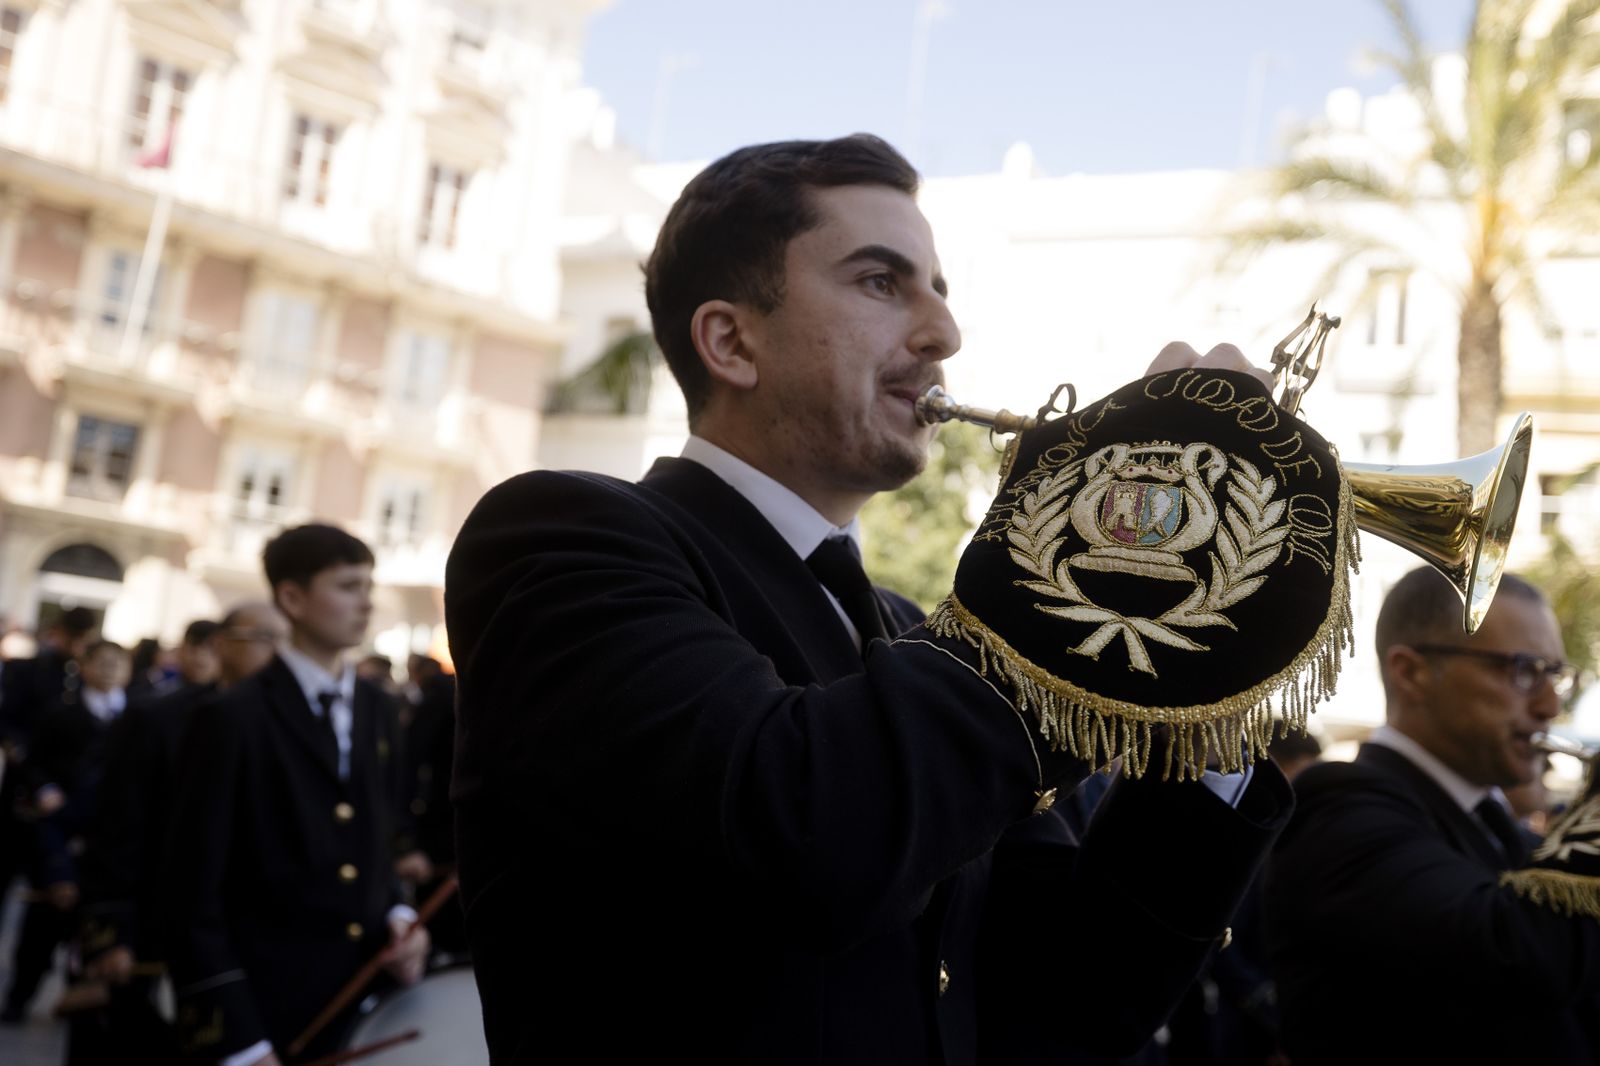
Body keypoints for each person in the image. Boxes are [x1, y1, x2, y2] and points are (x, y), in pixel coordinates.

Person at [446, 134, 1294, 1064]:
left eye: (939, 288)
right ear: (730, 341)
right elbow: (806, 830)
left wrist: (1210, 690)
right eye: (881, 282)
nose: (943, 335)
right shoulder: (562, 537)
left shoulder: (903, 626)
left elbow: (1068, 996)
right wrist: (1094, 549)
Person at [1265, 567, 1600, 1065]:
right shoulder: (1339, 809)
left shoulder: (1485, 817)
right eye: (1523, 670)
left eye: (1554, 674)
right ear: (1411, 672)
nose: (1550, 705)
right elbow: (1520, 954)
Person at [164, 526, 427, 1065]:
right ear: (292, 598)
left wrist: (400, 917)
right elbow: (191, 893)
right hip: (264, 1013)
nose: (366, 602)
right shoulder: (232, 717)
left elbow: (378, 842)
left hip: (360, 1008)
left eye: (369, 586)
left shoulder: (380, 709)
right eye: (349, 585)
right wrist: (240, 1043)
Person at [72, 607, 285, 1062]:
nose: (278, 653)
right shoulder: (158, 718)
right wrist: (112, 932)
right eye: (265, 638)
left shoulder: (284, 724)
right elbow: (117, 827)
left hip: (238, 938)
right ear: (220, 645)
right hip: (152, 922)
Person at [2, 638, 130, 1023]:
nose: (108, 671)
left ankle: (82, 996)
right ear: (85, 666)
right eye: (101, 663)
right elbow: (32, 762)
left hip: (108, 838)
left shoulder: (137, 716)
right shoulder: (60, 713)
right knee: (44, 923)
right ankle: (20, 997)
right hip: (59, 826)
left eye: (117, 664)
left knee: (94, 926)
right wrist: (45, 791)